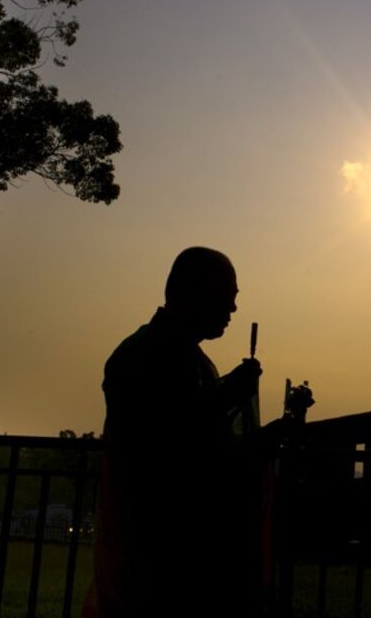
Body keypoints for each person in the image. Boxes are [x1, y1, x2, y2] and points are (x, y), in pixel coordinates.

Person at [86, 247, 263, 617]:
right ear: (187, 293)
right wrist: (226, 396)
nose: (232, 310)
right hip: (149, 561)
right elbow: (164, 441)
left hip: (186, 562)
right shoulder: (139, 355)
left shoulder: (196, 361)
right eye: (225, 297)